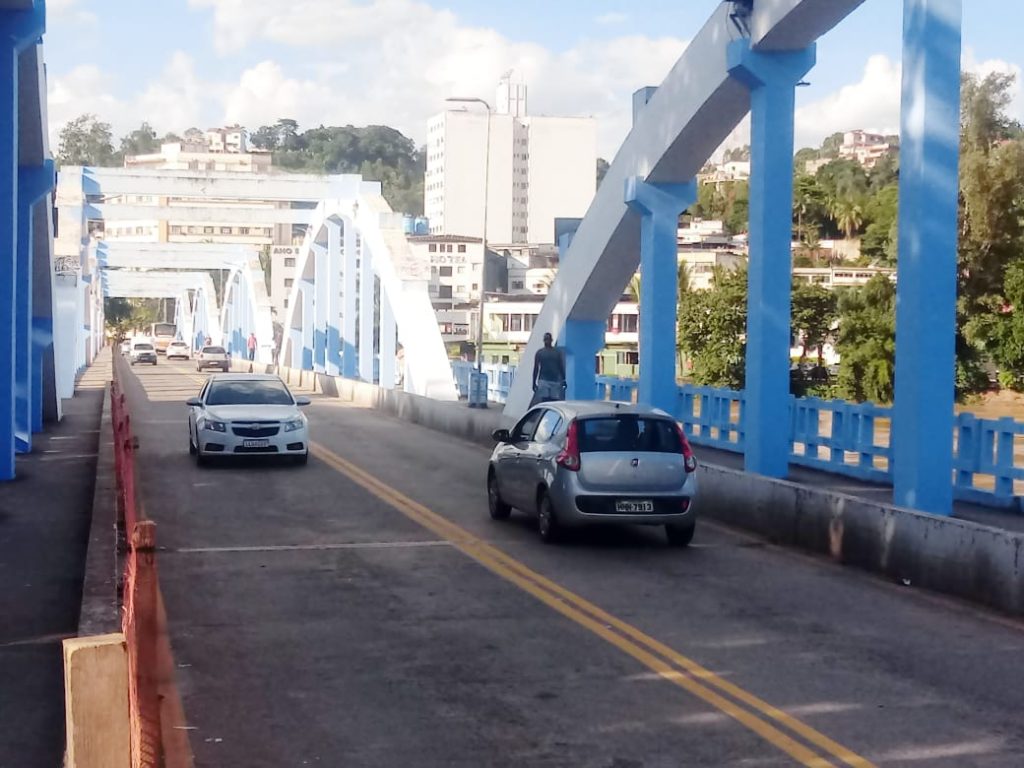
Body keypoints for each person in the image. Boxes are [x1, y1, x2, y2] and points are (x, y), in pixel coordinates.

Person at [531, 332, 566, 407]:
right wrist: (533, 382)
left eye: (548, 339)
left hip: (555, 381)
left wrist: (563, 380)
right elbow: (536, 368)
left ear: (551, 340)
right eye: (546, 339)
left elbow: (561, 367)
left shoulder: (557, 352)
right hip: (543, 380)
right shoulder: (539, 353)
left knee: (554, 403)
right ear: (544, 340)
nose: (547, 341)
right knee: (545, 402)